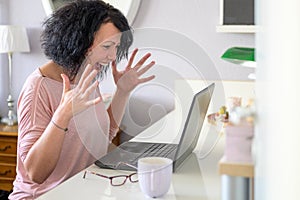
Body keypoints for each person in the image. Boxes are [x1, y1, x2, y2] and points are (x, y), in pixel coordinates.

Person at [9, 1, 155, 199]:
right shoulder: (38, 87)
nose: (113, 56)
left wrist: (122, 91)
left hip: (80, 191)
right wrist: (62, 116)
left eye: (116, 47)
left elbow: (102, 138)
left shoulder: (85, 75)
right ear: (78, 41)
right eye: (107, 46)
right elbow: (36, 173)